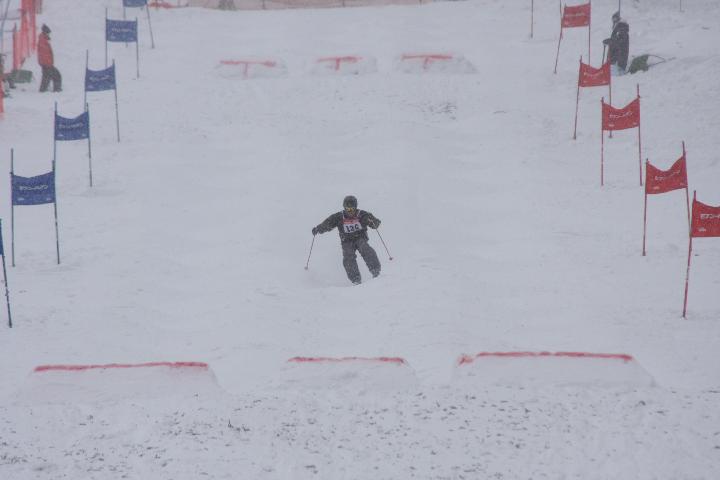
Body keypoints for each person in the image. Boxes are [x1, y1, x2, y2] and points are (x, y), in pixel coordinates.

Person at [312, 195, 382, 285]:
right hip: (347, 241)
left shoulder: (362, 214)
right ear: (344, 208)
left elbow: (375, 223)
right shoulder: (339, 216)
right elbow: (328, 224)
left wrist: (373, 222)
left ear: (356, 207)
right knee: (348, 255)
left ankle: (375, 270)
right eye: (348, 209)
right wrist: (318, 229)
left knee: (365, 248)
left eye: (352, 209)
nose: (350, 211)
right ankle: (355, 279)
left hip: (360, 237)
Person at [603, 11, 629, 76]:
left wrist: (610, 41)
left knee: (612, 77)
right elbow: (616, 40)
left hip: (618, 62)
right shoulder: (618, 29)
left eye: (614, 19)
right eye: (613, 20)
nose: (613, 21)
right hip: (614, 61)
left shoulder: (622, 28)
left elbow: (620, 42)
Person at [37, 24, 62, 92]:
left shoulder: (43, 40)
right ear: (45, 32)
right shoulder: (43, 41)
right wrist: (48, 64)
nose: (49, 35)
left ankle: (43, 90)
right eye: (48, 33)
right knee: (56, 75)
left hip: (46, 63)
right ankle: (56, 89)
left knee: (46, 77)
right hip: (47, 64)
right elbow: (44, 54)